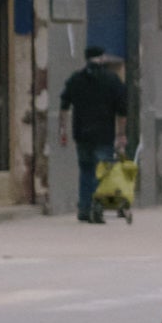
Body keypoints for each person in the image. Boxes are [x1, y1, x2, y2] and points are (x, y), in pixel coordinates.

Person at [60, 47, 130, 225]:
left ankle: (84, 209)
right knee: (102, 172)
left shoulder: (76, 79)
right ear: (103, 58)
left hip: (82, 134)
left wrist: (63, 131)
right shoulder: (112, 80)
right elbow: (122, 111)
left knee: (85, 170)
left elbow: (64, 106)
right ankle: (97, 207)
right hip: (104, 135)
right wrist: (121, 134)